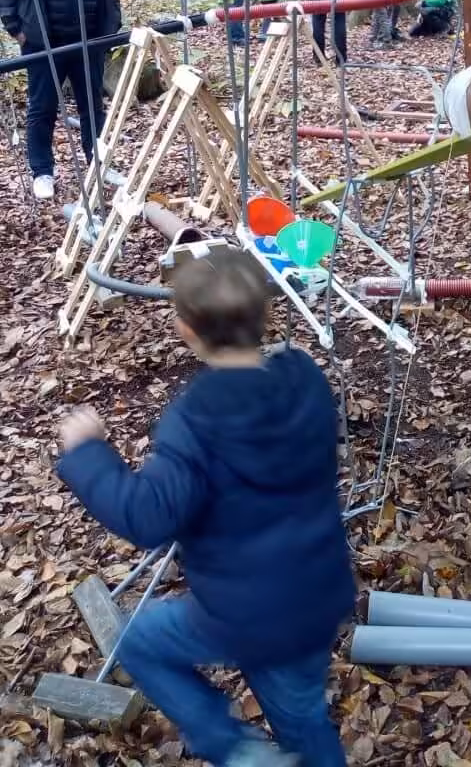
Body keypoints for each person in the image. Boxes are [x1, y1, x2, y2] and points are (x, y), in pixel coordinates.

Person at [56, 248, 354, 767]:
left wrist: (88, 455)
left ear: (185, 330)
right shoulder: (306, 379)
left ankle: (234, 749)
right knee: (301, 714)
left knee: (141, 642)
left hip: (244, 612)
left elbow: (149, 516)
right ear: (265, 315)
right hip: (318, 597)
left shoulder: (197, 419)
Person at [0, 0, 121, 201]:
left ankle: (98, 162)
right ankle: (42, 171)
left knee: (92, 105)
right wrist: (16, 28)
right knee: (42, 108)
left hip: (88, 38)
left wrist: (111, 25)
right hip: (42, 41)